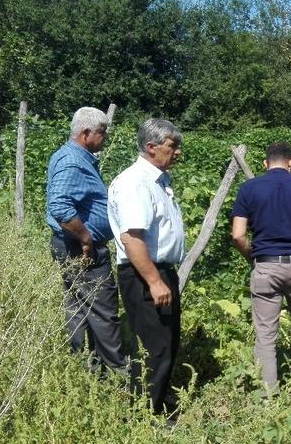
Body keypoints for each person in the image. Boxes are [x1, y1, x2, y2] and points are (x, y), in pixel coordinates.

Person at [231, 141, 291, 393]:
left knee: (266, 334)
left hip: (265, 266)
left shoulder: (249, 188)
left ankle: (268, 396)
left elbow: (238, 236)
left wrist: (253, 255)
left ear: (265, 163)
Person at [107, 118, 185, 414]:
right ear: (151, 147)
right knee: (155, 346)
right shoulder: (135, 182)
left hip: (159, 271)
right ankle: (146, 414)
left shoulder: (158, 181)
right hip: (144, 273)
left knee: (167, 341)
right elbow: (133, 239)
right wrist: (154, 281)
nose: (177, 152)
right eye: (172, 146)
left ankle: (160, 401)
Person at [46, 107, 126, 373]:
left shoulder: (74, 157)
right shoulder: (72, 162)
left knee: (78, 306)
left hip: (70, 245)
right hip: (79, 248)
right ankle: (117, 374)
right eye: (102, 133)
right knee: (103, 309)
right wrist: (85, 238)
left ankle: (81, 367)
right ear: (85, 133)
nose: (105, 138)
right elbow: (59, 206)